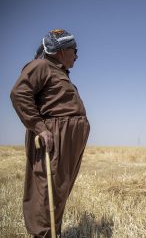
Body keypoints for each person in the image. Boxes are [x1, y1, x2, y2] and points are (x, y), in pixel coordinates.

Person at [10, 29, 90, 237]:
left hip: (68, 139)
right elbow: (19, 94)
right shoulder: (41, 66)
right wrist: (39, 127)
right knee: (46, 189)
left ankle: (54, 233)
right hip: (54, 136)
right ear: (60, 50)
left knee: (59, 190)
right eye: (74, 49)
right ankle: (42, 234)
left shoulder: (59, 72)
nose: (77, 55)